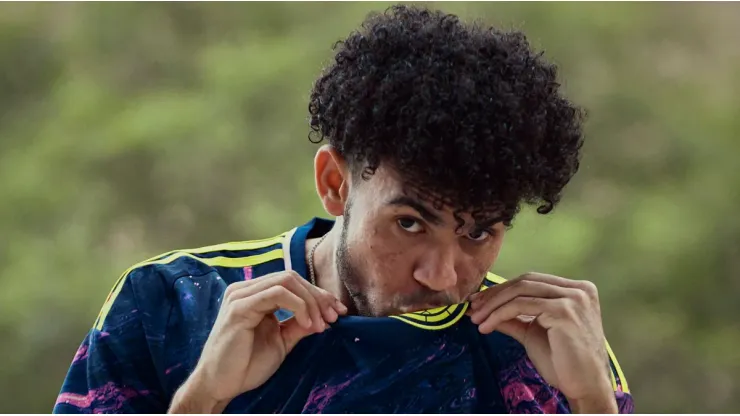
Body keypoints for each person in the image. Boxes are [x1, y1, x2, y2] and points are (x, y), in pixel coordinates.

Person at [54, 4, 634, 414]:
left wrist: (591, 405)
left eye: (480, 232)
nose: (443, 274)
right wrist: (205, 397)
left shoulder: (546, 346)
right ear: (335, 184)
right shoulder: (166, 307)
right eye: (409, 222)